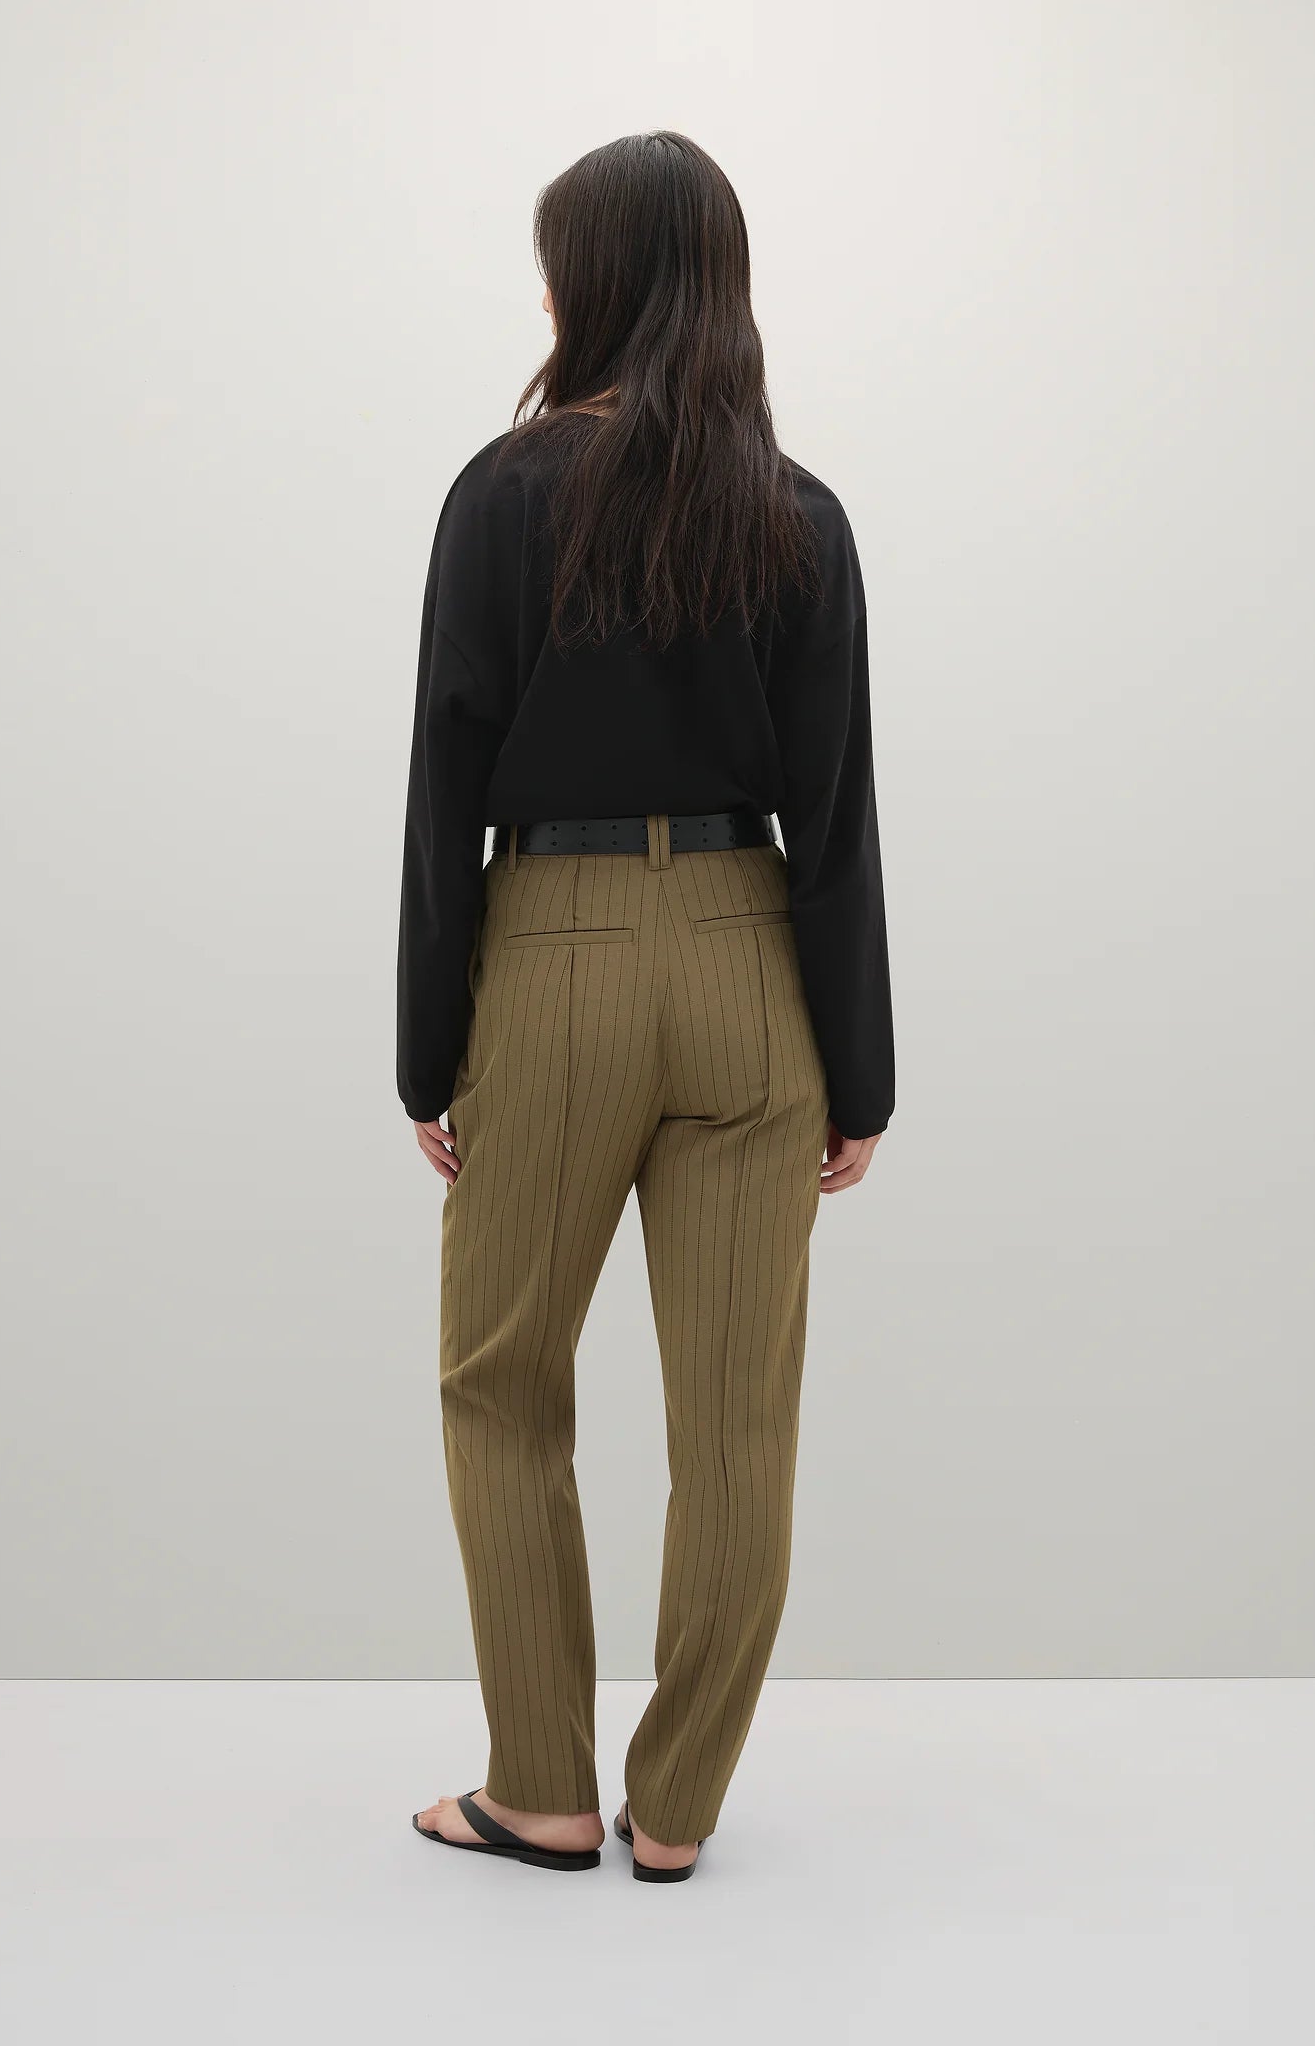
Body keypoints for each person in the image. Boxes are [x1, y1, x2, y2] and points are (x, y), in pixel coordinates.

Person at [398, 131, 894, 1884]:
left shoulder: (502, 493)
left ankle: (537, 1787)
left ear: (589, 283)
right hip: (753, 965)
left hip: (555, 951)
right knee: (736, 1423)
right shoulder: (798, 513)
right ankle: (674, 1811)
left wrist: (426, 1050)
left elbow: (446, 782)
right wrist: (858, 1074)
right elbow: (834, 813)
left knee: (501, 1382)